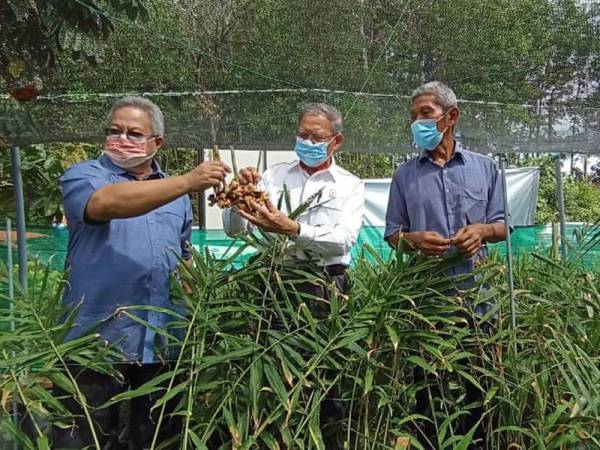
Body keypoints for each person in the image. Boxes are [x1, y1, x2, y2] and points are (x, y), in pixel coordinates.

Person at [55, 96, 230, 449]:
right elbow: (104, 204)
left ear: (157, 143)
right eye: (114, 131)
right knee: (82, 439)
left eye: (134, 133)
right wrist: (186, 181)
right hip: (96, 339)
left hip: (160, 339)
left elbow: (183, 256)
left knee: (155, 439)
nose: (122, 139)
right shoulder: (85, 176)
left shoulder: (176, 196)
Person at [223, 103, 365, 447]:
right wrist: (238, 194)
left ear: (337, 141)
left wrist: (293, 228)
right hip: (275, 285)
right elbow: (234, 231)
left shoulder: (349, 185)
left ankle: (326, 440)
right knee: (273, 371)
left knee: (326, 374)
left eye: (316, 136)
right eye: (301, 134)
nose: (307, 141)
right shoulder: (272, 176)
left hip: (326, 287)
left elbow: (342, 240)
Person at [384, 81, 508, 449]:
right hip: (425, 301)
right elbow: (393, 232)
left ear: (450, 117)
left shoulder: (484, 168)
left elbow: (504, 224)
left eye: (426, 114)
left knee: (480, 385)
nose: (417, 123)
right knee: (427, 388)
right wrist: (413, 241)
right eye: (413, 117)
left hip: (478, 298)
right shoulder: (404, 175)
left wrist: (482, 231)